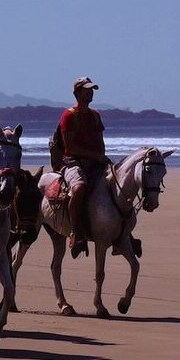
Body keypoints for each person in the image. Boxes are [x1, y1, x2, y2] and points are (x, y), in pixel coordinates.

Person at [58, 76, 111, 256]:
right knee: (79, 188)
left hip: (95, 161)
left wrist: (102, 158)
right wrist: (96, 156)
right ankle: (76, 231)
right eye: (86, 90)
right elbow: (70, 147)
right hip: (73, 162)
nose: (90, 93)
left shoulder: (95, 115)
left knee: (119, 184)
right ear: (77, 93)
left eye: (91, 90)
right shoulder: (69, 116)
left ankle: (122, 232)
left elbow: (100, 142)